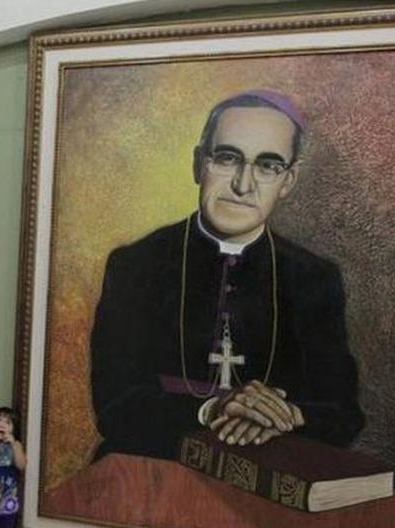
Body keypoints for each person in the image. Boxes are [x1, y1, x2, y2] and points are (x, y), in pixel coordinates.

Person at [90, 90, 365, 462]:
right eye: (227, 158)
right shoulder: (137, 265)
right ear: (198, 164)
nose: (242, 184)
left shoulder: (313, 278)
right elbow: (115, 406)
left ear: (288, 180)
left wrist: (281, 414)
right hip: (150, 472)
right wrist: (214, 409)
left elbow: (344, 415)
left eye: (268, 166)